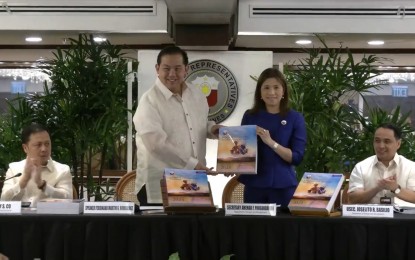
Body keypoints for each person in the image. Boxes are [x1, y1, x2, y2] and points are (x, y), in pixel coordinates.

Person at [133, 46, 221, 205]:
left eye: (177, 68)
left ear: (186, 69)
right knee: (161, 230)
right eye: (166, 68)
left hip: (194, 181)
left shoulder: (197, 95)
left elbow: (199, 124)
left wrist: (213, 129)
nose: (172, 74)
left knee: (191, 229)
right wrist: (193, 164)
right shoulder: (149, 101)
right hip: (160, 184)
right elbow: (155, 144)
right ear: (157, 69)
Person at [237, 68, 307, 210]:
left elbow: (296, 157)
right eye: (266, 88)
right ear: (260, 93)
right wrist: (233, 164)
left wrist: (271, 143)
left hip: (284, 186)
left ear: (283, 91)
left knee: (283, 231)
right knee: (253, 231)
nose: (271, 92)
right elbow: (242, 151)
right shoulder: (250, 116)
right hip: (254, 186)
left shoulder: (295, 118)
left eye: (276, 87)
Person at [1, 123, 73, 206]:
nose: (44, 149)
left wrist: (43, 185)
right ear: (25, 148)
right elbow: (4, 201)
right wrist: (23, 181)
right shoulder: (14, 169)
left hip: (49, 218)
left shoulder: (62, 170)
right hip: (19, 218)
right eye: (38, 145)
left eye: (47, 144)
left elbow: (68, 199)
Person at [348, 123, 415, 204]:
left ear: (398, 144)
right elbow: (353, 199)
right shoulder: (361, 167)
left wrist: (396, 188)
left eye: (387, 141)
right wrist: (377, 188)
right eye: (377, 141)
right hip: (369, 216)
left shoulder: (411, 167)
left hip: (402, 216)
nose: (381, 146)